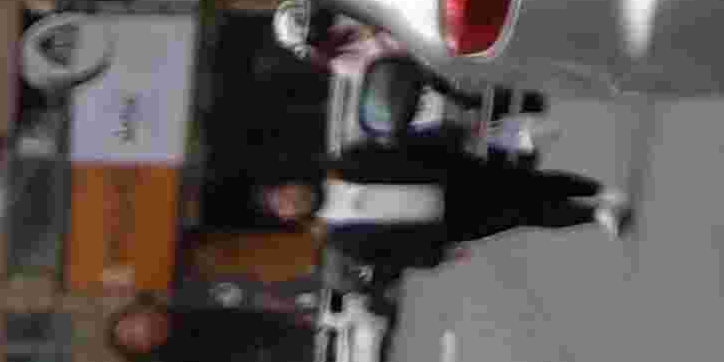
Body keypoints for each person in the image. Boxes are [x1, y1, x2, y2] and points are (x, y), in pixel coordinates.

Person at [257, 146, 625, 274]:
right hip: (446, 225)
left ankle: (598, 192)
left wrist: (454, 152)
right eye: (283, 208)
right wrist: (437, 256)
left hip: (453, 178)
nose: (291, 201)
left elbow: (405, 150)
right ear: (290, 219)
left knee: (529, 185)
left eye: (285, 193)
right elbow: (390, 256)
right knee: (523, 215)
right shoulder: (338, 238)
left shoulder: (346, 164)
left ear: (294, 182)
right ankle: (594, 215)